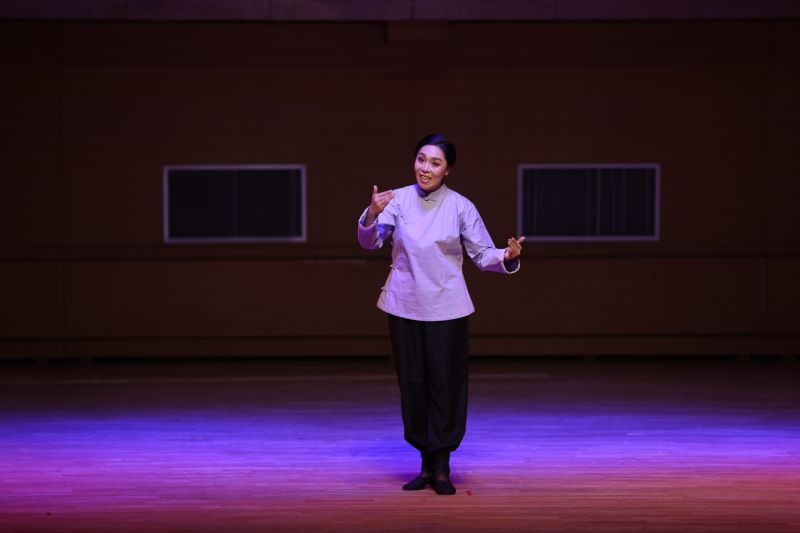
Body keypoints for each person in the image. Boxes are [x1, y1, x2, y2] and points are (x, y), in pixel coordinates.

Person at [357, 133, 524, 496]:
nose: (425, 168)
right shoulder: (397, 200)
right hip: (405, 305)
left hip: (447, 308)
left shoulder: (461, 206)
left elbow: (482, 254)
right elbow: (371, 241)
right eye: (421, 159)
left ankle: (443, 465)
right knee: (413, 384)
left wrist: (507, 256)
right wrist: (371, 214)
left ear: (447, 170)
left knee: (446, 385)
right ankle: (425, 462)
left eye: (435, 163)